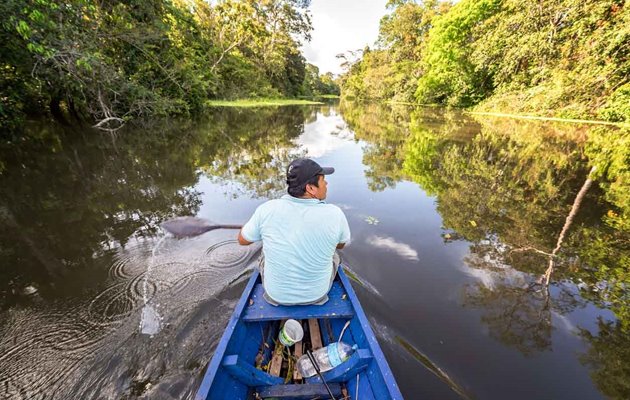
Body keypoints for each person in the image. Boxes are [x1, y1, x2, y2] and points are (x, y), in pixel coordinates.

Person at [237, 158, 351, 305]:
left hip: (276, 296)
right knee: (334, 255)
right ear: (311, 188)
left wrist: (247, 227)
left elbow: (242, 240)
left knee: (265, 251)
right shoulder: (335, 214)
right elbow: (341, 245)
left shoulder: (266, 209)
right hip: (317, 295)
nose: (326, 184)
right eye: (323, 180)